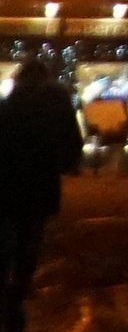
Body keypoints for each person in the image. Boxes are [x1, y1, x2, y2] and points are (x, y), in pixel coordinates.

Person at [1, 55, 78, 312]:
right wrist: (66, 165)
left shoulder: (7, 105)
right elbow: (71, 141)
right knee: (32, 233)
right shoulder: (57, 106)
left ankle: (6, 277)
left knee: (8, 228)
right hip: (41, 180)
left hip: (8, 180)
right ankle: (22, 281)